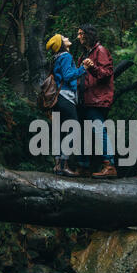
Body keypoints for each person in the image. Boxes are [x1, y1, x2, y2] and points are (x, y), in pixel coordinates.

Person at [76, 24, 117, 178]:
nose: (78, 37)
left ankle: (109, 165)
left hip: (96, 100)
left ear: (89, 34)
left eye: (81, 34)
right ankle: (83, 166)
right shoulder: (84, 55)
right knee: (82, 133)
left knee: (98, 131)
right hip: (84, 100)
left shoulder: (100, 51)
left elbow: (107, 73)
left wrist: (92, 67)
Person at [46, 33, 88, 177]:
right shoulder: (66, 56)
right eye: (64, 38)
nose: (67, 38)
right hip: (65, 97)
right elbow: (68, 76)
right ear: (62, 44)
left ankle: (57, 165)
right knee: (74, 130)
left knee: (59, 132)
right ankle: (64, 165)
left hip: (57, 99)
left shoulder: (55, 58)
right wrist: (83, 69)